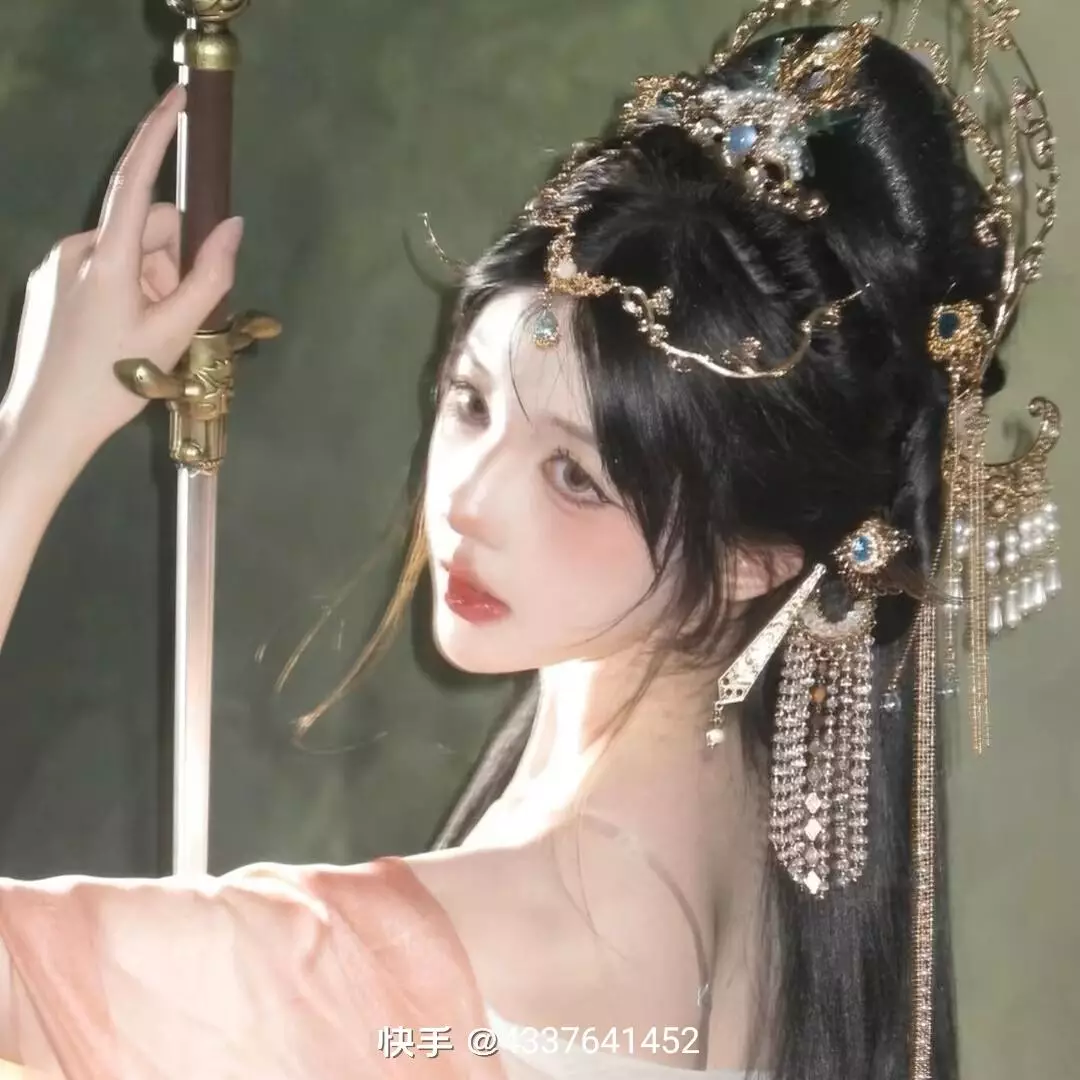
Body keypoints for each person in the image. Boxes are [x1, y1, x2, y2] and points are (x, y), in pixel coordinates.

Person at [0, 5, 1063, 1079]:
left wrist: (38, 425)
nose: (467, 503)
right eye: (470, 403)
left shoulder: (477, 938)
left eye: (574, 476)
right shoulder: (778, 894)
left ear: (758, 557)